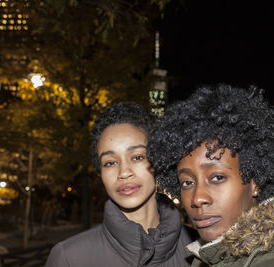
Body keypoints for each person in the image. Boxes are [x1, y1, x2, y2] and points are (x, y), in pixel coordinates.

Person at [148, 85, 274, 266]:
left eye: (217, 177)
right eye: (187, 182)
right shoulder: (211, 255)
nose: (197, 198)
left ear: (255, 180)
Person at [45, 102, 194, 267]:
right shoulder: (69, 258)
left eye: (137, 157)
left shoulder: (203, 249)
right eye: (109, 163)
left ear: (158, 161)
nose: (124, 172)